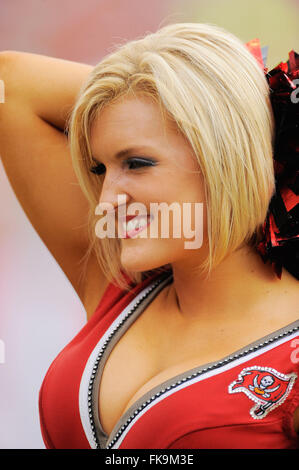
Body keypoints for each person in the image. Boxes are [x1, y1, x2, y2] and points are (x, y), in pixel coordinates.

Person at [0, 22, 298, 449]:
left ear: (225, 157)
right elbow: (9, 85)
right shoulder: (119, 285)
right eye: (99, 169)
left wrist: (228, 111)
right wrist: (147, 87)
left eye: (137, 163)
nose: (105, 202)